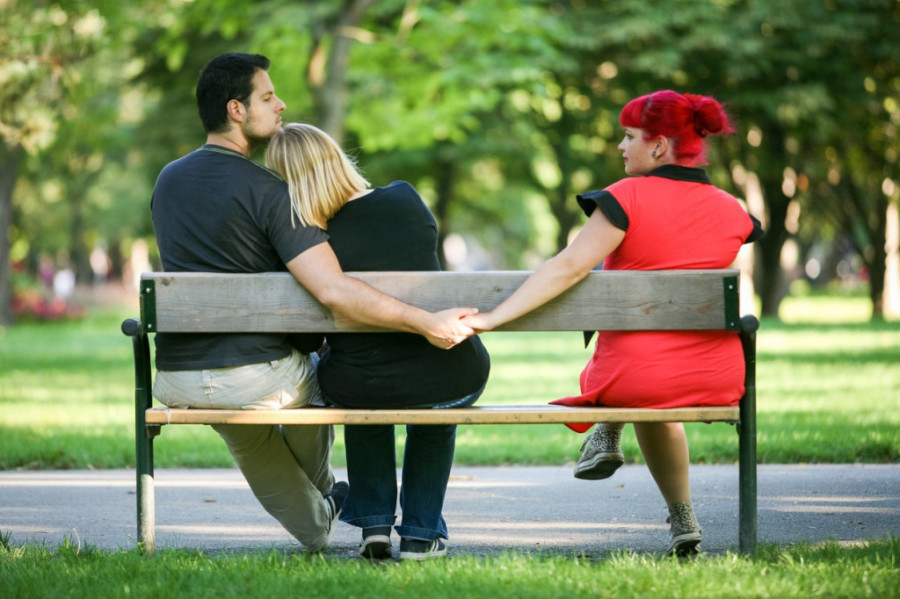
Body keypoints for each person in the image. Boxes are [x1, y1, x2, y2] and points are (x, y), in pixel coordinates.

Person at [150, 53, 476, 552]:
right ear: (236, 109)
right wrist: (424, 321)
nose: (280, 104)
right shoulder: (272, 191)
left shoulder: (167, 179)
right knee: (322, 379)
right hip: (257, 375)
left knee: (260, 432)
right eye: (267, 97)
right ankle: (343, 499)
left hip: (178, 374)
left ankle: (335, 518)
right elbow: (331, 290)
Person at [462, 90, 764, 555]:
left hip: (633, 377)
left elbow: (567, 268)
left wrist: (495, 317)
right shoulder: (732, 208)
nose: (621, 147)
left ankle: (609, 427)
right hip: (716, 375)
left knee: (641, 377)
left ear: (659, 145)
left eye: (628, 137)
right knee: (655, 385)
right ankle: (681, 515)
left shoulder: (626, 197)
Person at [266, 123, 491, 561]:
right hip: (449, 371)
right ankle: (422, 534)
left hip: (361, 383)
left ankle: (374, 526)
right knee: (434, 407)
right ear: (336, 158)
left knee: (360, 389)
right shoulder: (405, 198)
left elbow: (307, 337)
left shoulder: (307, 243)